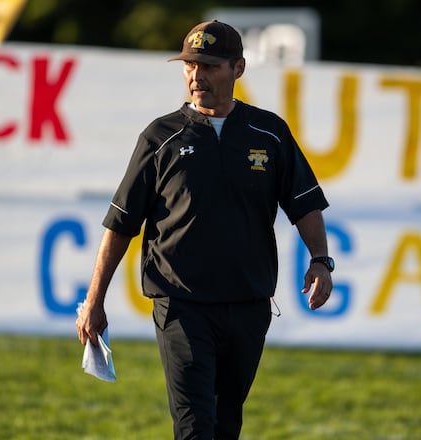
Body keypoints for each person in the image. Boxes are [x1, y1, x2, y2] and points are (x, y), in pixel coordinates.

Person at [76, 20, 335, 440]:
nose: (196, 76)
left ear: (238, 68)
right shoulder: (160, 137)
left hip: (249, 306)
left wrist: (321, 261)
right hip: (181, 306)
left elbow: (304, 203)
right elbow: (121, 222)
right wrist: (94, 299)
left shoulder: (269, 134)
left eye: (210, 66)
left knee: (226, 424)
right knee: (196, 428)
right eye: (189, 65)